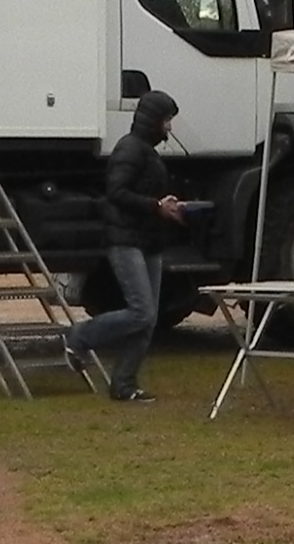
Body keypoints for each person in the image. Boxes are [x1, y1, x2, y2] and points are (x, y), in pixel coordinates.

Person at [66, 88, 201, 403]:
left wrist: (169, 207)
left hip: (148, 241)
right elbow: (117, 192)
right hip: (125, 240)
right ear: (154, 120)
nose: (170, 127)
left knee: (148, 318)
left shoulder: (146, 151)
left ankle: (124, 384)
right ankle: (80, 336)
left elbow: (141, 194)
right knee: (141, 311)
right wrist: (156, 206)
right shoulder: (130, 149)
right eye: (167, 120)